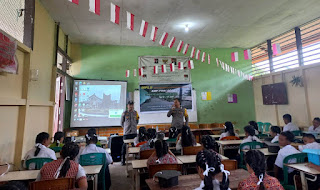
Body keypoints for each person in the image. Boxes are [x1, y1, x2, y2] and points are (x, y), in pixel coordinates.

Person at [121, 101, 139, 165]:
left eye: (132, 105)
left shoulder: (135, 113)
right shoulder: (124, 113)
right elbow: (122, 123)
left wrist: (133, 126)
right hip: (127, 133)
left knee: (135, 145)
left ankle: (136, 158)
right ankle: (123, 160)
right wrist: (126, 128)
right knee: (124, 146)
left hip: (134, 132)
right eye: (129, 105)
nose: (131, 106)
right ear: (127, 106)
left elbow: (137, 121)